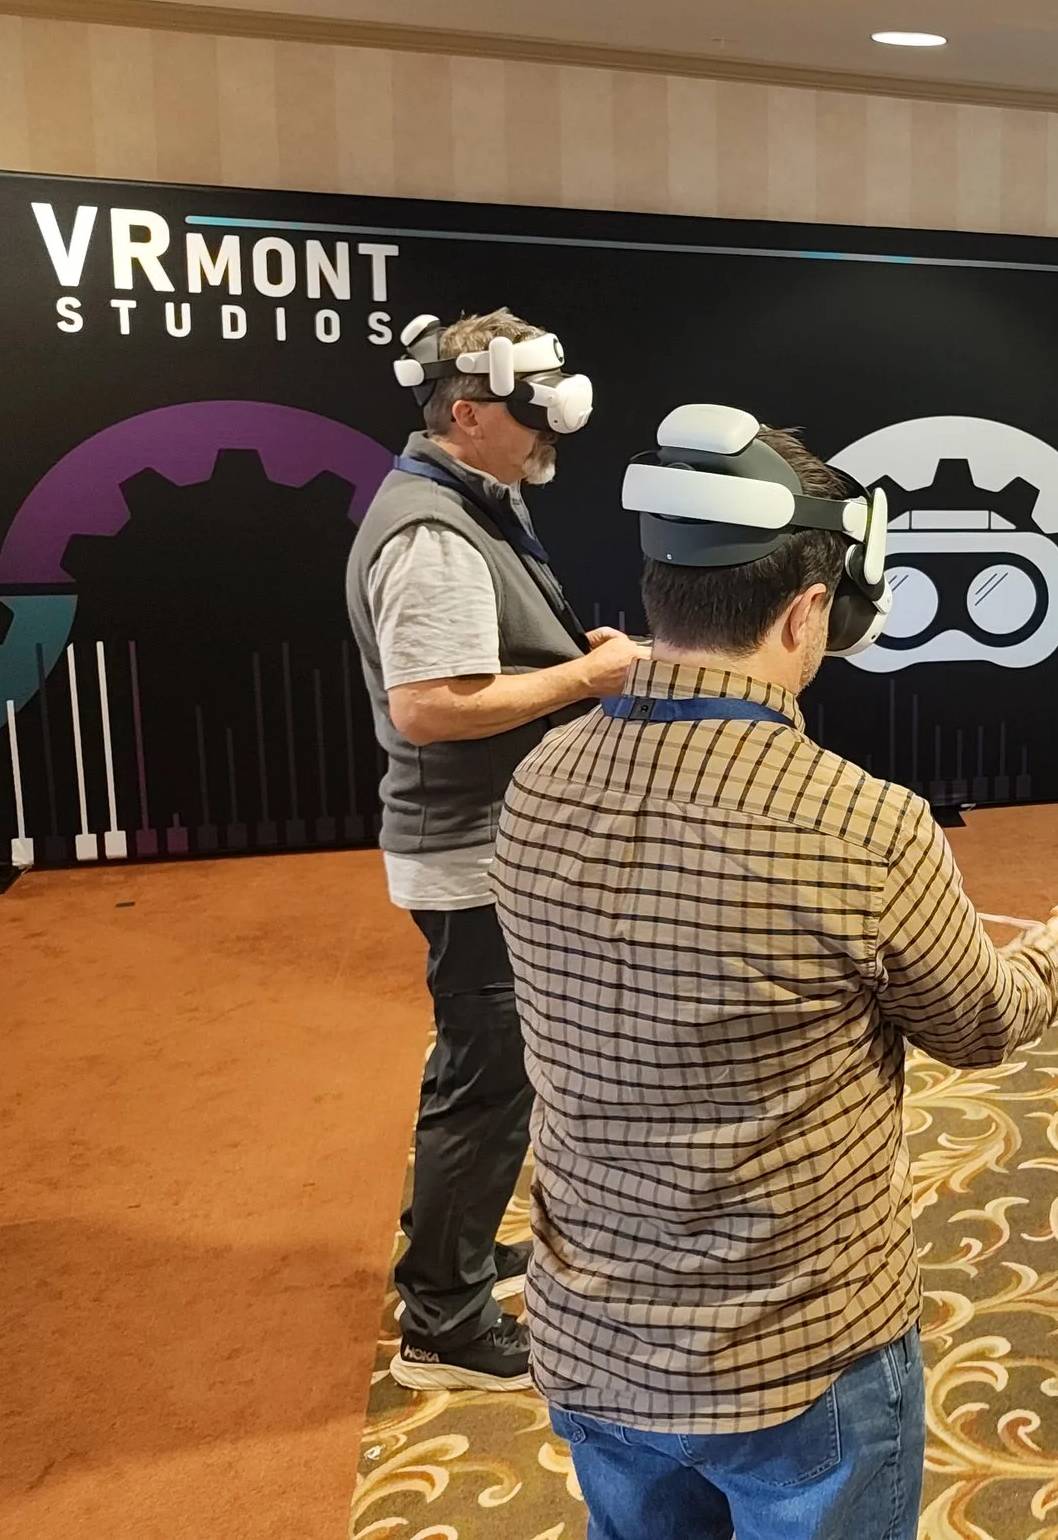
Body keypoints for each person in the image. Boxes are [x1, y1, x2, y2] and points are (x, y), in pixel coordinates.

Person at [491, 403, 1058, 1540]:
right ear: (805, 615)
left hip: (593, 1342)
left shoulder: (537, 783)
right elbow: (981, 1024)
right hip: (802, 1365)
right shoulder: (866, 824)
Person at [344, 308, 642, 1393]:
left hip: (487, 845)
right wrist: (587, 678)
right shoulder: (434, 531)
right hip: (473, 856)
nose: (546, 430)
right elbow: (431, 707)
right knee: (490, 1082)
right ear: (466, 413)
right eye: (528, 413)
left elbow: (486, 659)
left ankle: (449, 1252)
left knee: (481, 1070)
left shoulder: (473, 497)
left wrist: (563, 652)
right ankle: (445, 1324)